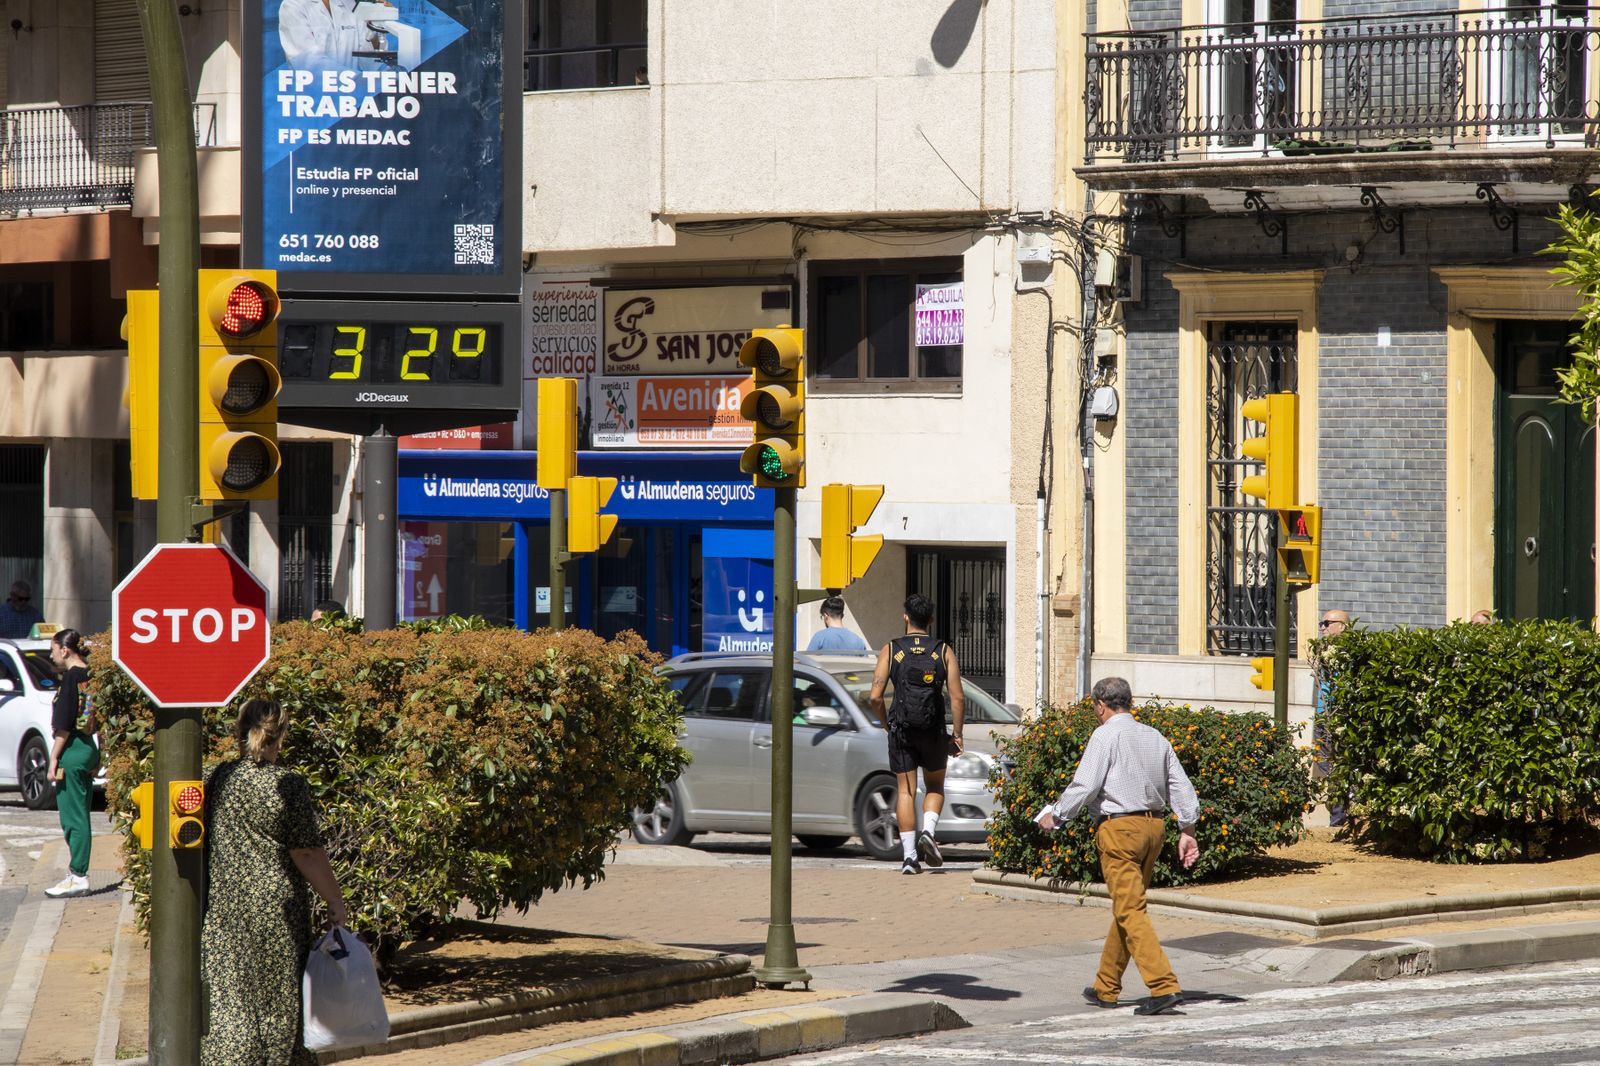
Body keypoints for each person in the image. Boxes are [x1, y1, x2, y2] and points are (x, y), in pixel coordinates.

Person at [1037, 676, 1199, 1016]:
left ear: (1100, 704)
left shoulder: (1104, 734)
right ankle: (1105, 987)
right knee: (1129, 906)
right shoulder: (1154, 736)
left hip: (1119, 830)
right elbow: (1180, 786)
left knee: (1130, 910)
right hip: (1154, 828)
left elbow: (1085, 785)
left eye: (1093, 707)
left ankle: (1164, 987)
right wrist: (1188, 829)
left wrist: (1057, 814)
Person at [202, 698, 349, 1065]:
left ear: (240, 729)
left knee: (230, 1000)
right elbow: (307, 854)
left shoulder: (218, 777)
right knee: (277, 999)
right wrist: (335, 900)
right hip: (276, 910)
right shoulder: (287, 785)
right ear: (280, 734)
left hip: (225, 907)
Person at [868, 594, 964, 875]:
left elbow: (875, 696)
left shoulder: (891, 649)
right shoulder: (943, 651)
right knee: (934, 787)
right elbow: (957, 698)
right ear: (931, 620)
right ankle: (929, 831)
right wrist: (957, 735)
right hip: (933, 730)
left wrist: (887, 724)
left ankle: (910, 857)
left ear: (905, 617)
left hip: (902, 730)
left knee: (905, 791)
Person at [45, 629, 99, 898]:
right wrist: (99, 756)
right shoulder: (91, 676)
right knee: (82, 814)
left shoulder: (70, 680)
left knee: (72, 817)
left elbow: (64, 725)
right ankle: (77, 873)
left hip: (73, 749)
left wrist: (53, 758)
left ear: (65, 650)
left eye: (53, 649)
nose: (52, 654)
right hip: (88, 747)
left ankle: (78, 875)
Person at [1314, 609, 1349, 828]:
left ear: (1342, 626)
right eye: (1322, 623)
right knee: (1327, 772)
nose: (1323, 627)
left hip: (1339, 719)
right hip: (1322, 719)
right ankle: (1336, 819)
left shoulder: (1348, 655)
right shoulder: (1321, 652)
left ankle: (1339, 820)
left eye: (1327, 623)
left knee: (1339, 773)